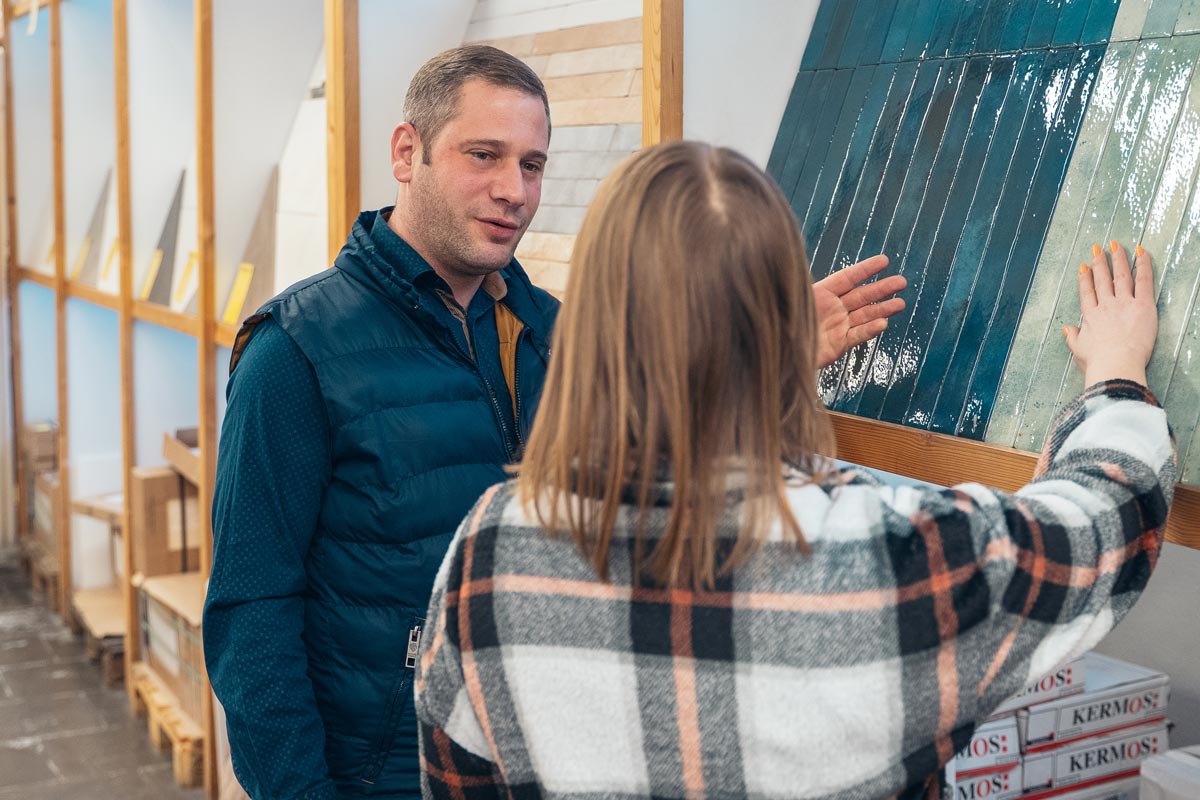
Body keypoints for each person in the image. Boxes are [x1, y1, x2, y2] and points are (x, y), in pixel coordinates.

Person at [204, 45, 907, 798]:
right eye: (485, 155)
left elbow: (664, 472)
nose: (513, 190)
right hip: (387, 777)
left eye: (533, 165)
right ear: (408, 153)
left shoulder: (556, 333)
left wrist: (774, 355)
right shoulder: (295, 352)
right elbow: (253, 613)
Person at [414, 142, 1175, 799]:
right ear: (779, 317)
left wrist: (757, 369)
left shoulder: (490, 551)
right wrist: (1115, 367)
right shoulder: (893, 554)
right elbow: (1110, 511)